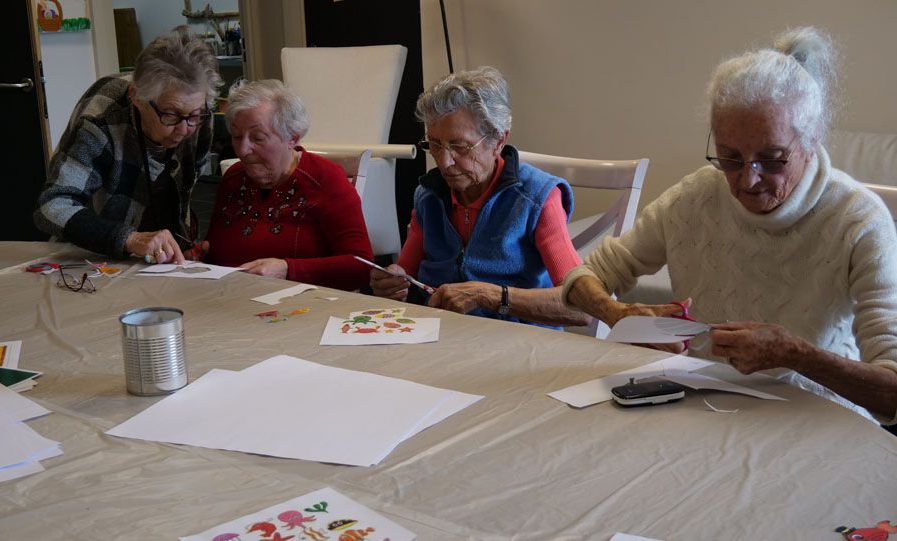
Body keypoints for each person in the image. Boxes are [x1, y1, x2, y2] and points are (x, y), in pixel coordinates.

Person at [563, 27, 897, 425]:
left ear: (812, 142)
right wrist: (617, 313)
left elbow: (890, 394)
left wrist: (797, 355)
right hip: (707, 412)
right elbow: (584, 277)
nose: (746, 180)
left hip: (817, 423)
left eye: (772, 159)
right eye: (730, 157)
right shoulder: (694, 198)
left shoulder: (859, 220)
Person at [370, 67, 590, 328]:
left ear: (498, 140)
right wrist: (393, 282)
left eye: (460, 146)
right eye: (435, 145)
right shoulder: (429, 195)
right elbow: (405, 276)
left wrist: (488, 296)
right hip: (443, 337)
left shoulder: (537, 197)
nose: (444, 162)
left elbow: (582, 308)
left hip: (518, 345)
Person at [34, 26, 220, 264]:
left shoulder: (200, 116)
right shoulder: (102, 117)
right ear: (137, 97)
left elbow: (182, 195)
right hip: (92, 255)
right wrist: (129, 239)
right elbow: (52, 205)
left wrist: (182, 243)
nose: (185, 130)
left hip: (160, 256)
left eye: (194, 115)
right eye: (171, 115)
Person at [203, 79, 373, 291]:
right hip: (229, 302)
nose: (243, 150)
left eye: (258, 138)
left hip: (303, 309)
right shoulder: (233, 179)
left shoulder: (324, 180)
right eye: (237, 136)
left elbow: (362, 266)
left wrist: (287, 270)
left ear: (292, 137)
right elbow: (212, 250)